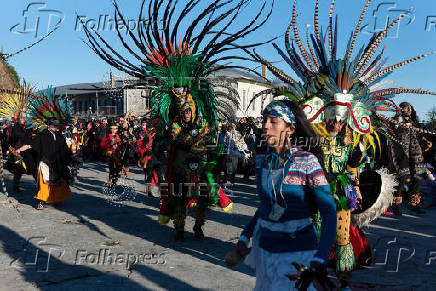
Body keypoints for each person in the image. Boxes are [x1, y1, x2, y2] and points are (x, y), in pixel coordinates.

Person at [234, 100, 336, 290]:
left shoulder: (307, 161)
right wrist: (244, 236)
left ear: (290, 128)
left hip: (299, 255)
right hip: (264, 251)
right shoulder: (262, 161)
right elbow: (266, 207)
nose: (265, 125)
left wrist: (320, 256)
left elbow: (329, 212)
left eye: (273, 121)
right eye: (264, 120)